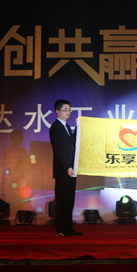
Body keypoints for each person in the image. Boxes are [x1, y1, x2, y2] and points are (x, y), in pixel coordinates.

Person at [49, 99, 82, 236]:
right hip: (64, 170)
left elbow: (73, 144)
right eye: (65, 110)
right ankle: (61, 229)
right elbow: (59, 151)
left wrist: (78, 127)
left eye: (69, 110)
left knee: (69, 201)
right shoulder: (55, 128)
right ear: (57, 111)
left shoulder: (66, 127)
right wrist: (67, 167)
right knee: (62, 201)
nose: (68, 112)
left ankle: (68, 228)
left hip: (71, 169)